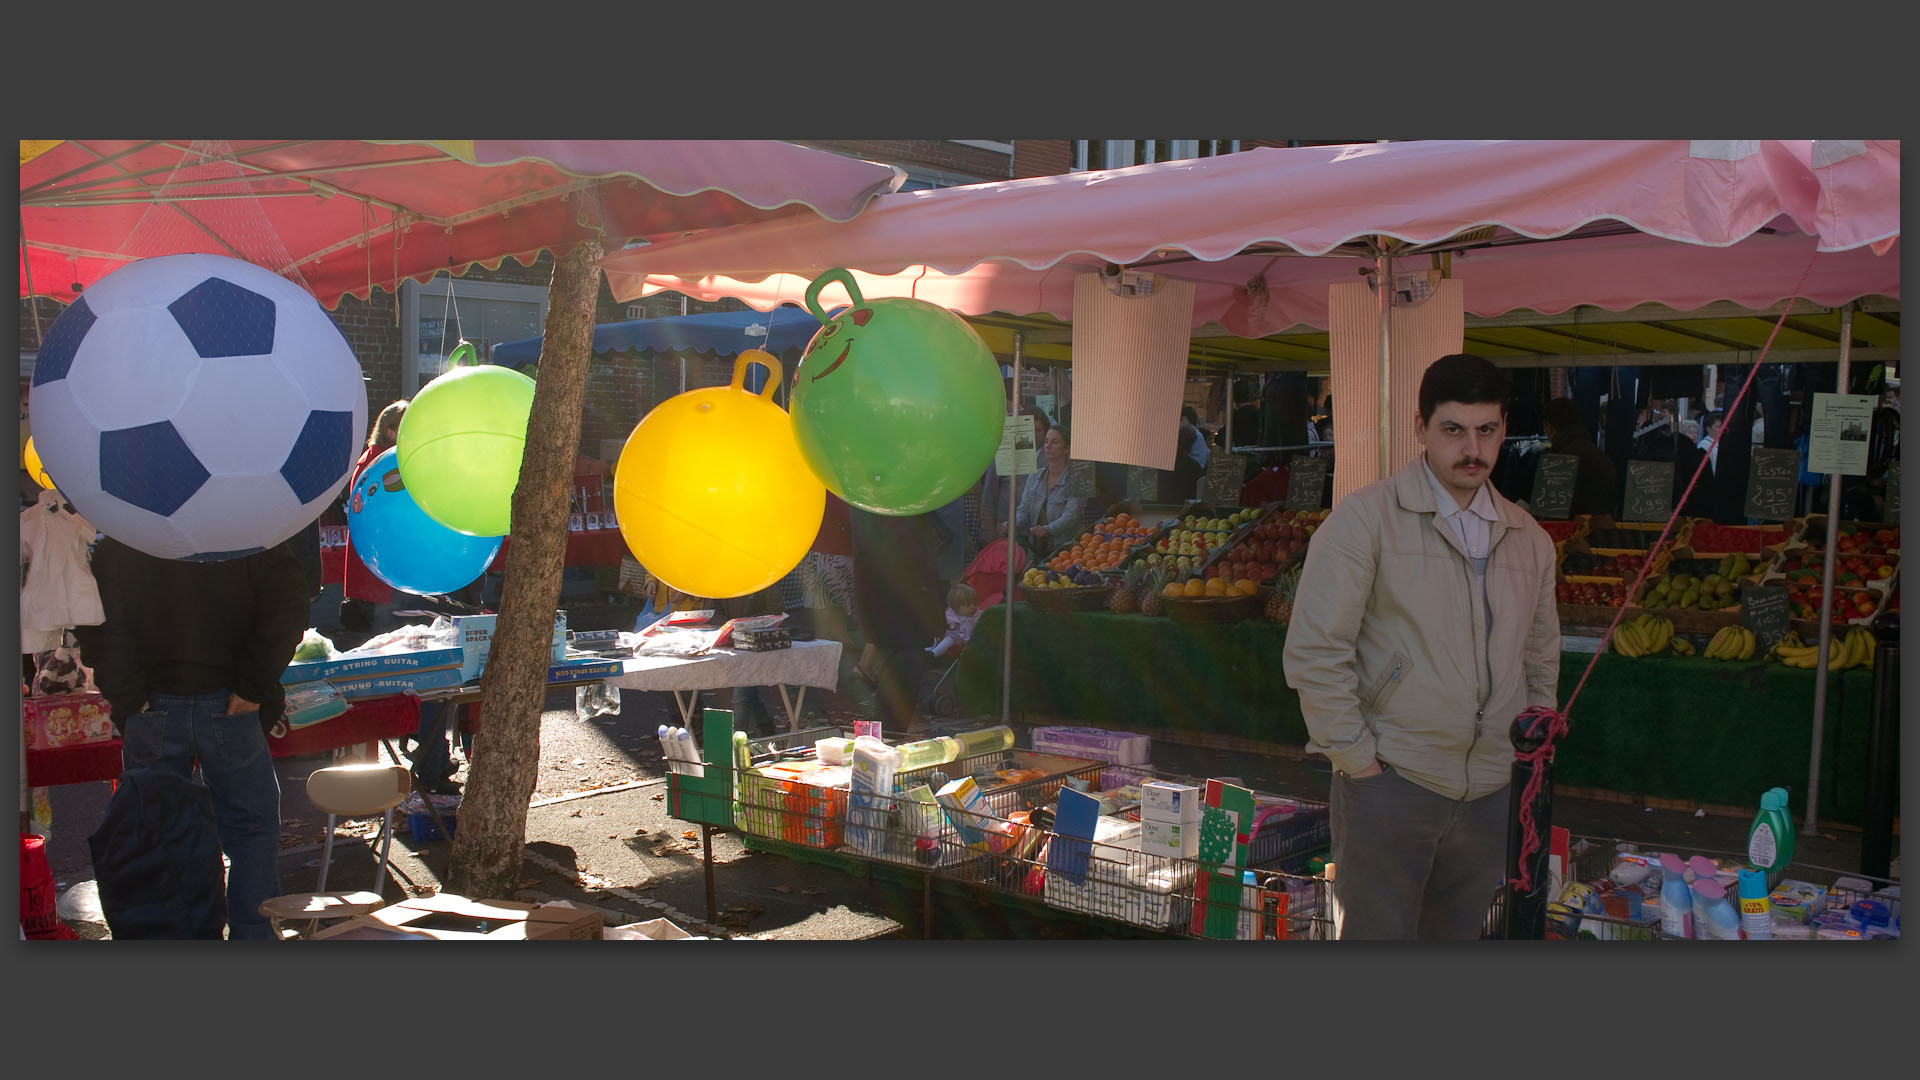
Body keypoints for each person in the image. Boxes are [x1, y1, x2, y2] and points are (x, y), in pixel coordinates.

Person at [1281, 353, 1561, 940]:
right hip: (1392, 781)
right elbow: (1314, 650)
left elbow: (1539, 655)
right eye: (1453, 429)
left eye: (1486, 430)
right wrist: (1358, 760)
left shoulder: (1528, 539)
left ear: (1505, 428)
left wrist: (1527, 753)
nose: (1471, 448)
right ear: (1420, 428)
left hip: (1490, 790)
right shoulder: (1364, 521)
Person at [73, 536, 311, 940]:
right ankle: (249, 936)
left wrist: (131, 696)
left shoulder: (128, 523)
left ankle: (180, 938)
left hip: (179, 701)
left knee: (157, 830)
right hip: (212, 699)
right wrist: (251, 686)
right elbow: (287, 603)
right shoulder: (248, 520)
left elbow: (98, 620)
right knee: (245, 827)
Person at [849, 507, 943, 732]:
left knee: (901, 668)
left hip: (893, 600)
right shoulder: (890, 509)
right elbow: (905, 548)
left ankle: (883, 740)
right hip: (898, 601)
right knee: (904, 668)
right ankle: (884, 741)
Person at [339, 400, 408, 632]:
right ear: (390, 431)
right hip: (380, 573)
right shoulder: (384, 464)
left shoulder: (371, 458)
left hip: (376, 571)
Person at [1542, 396, 1618, 519]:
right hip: (1602, 532)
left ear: (1550, 427)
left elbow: (1551, 511)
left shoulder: (1560, 460)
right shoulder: (1598, 454)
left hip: (1572, 533)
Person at [1015, 425, 1083, 559]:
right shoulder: (1035, 476)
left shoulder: (1076, 479)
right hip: (1035, 550)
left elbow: (1071, 515)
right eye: (1046, 441)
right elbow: (1024, 509)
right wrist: (1013, 524)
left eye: (1055, 442)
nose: (1048, 445)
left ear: (1067, 448)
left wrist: (1047, 530)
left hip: (1065, 552)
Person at [926, 582, 981, 660]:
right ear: (956, 607)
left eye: (975, 603)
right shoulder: (951, 614)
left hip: (966, 641)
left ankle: (933, 655)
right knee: (943, 635)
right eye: (968, 604)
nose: (973, 607)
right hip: (951, 635)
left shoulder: (978, 616)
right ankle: (932, 650)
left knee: (949, 639)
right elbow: (945, 624)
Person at [1182, 406, 1210, 470]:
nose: (1179, 423)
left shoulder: (1191, 433)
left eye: (1181, 420)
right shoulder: (1196, 433)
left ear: (1190, 420)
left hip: (1193, 469)